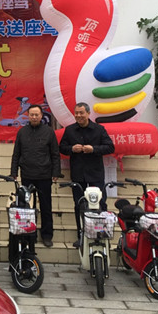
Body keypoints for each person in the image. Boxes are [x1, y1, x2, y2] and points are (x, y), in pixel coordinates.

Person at [59, 102, 115, 248]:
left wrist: (94, 149)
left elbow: (110, 147)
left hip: (95, 174)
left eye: (81, 113)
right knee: (79, 205)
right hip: (78, 174)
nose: (78, 115)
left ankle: (102, 235)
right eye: (76, 113)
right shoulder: (70, 130)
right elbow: (62, 148)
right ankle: (81, 236)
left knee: (101, 204)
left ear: (88, 114)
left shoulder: (99, 129)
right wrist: (72, 149)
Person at [10, 104, 61, 247]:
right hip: (27, 175)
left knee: (46, 207)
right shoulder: (22, 132)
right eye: (31, 115)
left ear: (41, 116)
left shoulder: (49, 132)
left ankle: (47, 235)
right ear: (28, 116)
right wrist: (14, 172)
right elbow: (16, 153)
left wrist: (56, 172)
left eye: (36, 115)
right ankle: (28, 234)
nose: (34, 117)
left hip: (44, 175)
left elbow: (55, 154)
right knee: (27, 207)